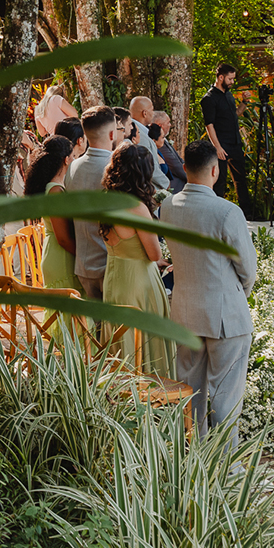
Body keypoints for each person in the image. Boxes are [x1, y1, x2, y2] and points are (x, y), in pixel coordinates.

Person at [158, 140, 258, 444]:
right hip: (225, 312)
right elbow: (247, 268)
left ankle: (193, 461)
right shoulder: (227, 211)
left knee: (190, 395)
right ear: (215, 170)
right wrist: (237, 292)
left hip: (185, 310)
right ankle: (227, 468)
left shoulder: (167, 206)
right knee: (226, 399)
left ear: (185, 168)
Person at [99, 144, 176, 379]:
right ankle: (149, 395)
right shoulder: (136, 207)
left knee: (120, 339)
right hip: (139, 282)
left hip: (115, 275)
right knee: (145, 344)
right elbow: (153, 253)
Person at [68, 107, 118, 300]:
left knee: (95, 328)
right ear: (112, 133)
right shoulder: (114, 166)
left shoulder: (73, 166)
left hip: (83, 262)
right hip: (110, 262)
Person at [201, 63, 256, 219]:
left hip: (235, 144)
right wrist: (217, 147)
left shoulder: (229, 95)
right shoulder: (209, 99)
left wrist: (244, 102)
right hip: (221, 145)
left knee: (240, 179)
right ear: (220, 77)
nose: (232, 82)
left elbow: (236, 114)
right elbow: (209, 125)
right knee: (220, 182)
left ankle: (247, 215)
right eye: (230, 79)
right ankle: (217, 216)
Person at [24, 137, 77, 290]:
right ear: (66, 159)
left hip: (58, 253)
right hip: (61, 256)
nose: (74, 159)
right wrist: (82, 259)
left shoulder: (56, 186)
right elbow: (62, 238)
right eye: (73, 156)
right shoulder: (55, 191)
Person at [127, 96, 172, 193]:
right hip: (148, 189)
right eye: (152, 110)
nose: (153, 113)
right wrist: (165, 183)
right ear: (145, 113)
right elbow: (149, 165)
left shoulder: (141, 130)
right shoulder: (138, 134)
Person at [151, 111, 185, 191]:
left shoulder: (163, 141)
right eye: (168, 122)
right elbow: (175, 166)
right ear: (160, 125)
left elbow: (179, 160)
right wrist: (194, 179)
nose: (170, 125)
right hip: (173, 187)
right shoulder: (159, 145)